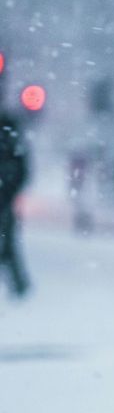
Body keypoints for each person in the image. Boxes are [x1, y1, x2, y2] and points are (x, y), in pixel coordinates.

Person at [0, 112, 29, 299]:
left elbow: (22, 169)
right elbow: (22, 169)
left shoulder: (8, 130)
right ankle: (19, 285)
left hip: (5, 197)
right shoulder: (10, 132)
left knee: (8, 244)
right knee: (8, 244)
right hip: (5, 196)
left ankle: (19, 286)